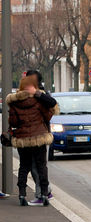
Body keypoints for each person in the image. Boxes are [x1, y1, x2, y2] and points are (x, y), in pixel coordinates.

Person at [7, 75, 59, 206]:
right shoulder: (38, 100)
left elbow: (13, 122)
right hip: (39, 138)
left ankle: (22, 194)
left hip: (22, 139)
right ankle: (44, 193)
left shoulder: (14, 102)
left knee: (24, 166)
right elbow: (48, 114)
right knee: (42, 166)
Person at [25, 70, 54, 205]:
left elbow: (52, 102)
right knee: (36, 166)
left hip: (39, 135)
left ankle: (41, 195)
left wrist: (36, 93)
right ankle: (45, 191)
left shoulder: (41, 93)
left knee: (37, 166)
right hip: (33, 135)